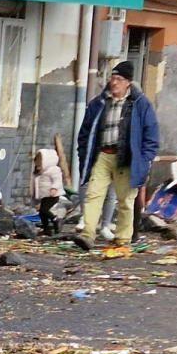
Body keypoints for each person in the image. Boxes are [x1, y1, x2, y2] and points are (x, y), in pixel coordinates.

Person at [73, 62, 159, 249]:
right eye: (112, 78)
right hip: (102, 154)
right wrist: (83, 154)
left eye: (119, 79)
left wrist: (144, 160)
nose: (114, 82)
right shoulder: (99, 103)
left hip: (127, 157)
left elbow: (151, 135)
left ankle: (122, 239)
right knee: (93, 195)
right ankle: (87, 235)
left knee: (126, 200)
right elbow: (85, 132)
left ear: (128, 82)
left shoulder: (140, 104)